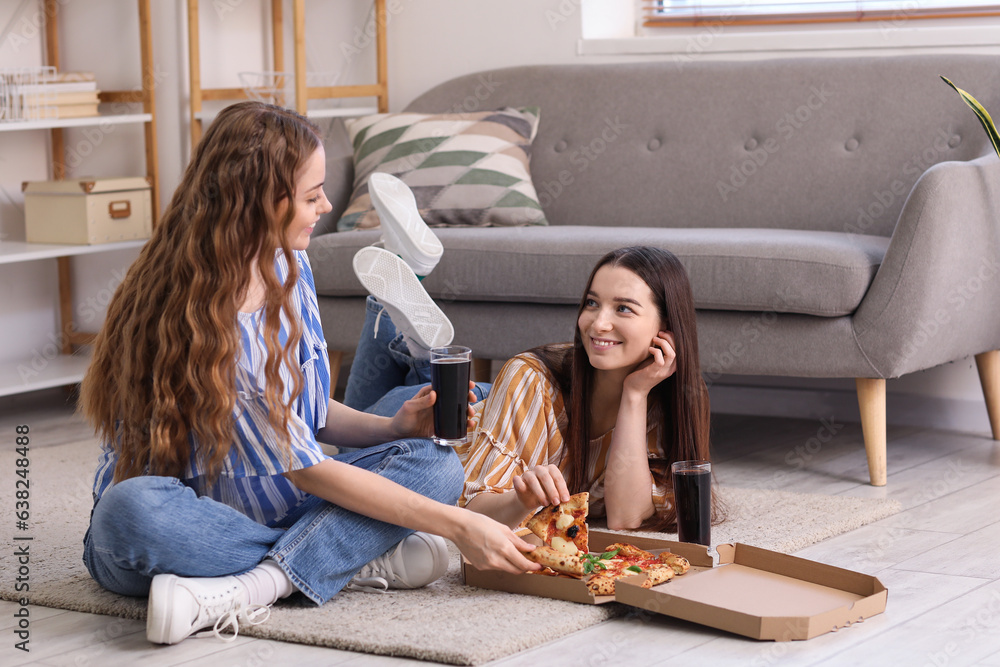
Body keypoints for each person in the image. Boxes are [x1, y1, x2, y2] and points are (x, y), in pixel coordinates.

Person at [78, 101, 538, 647]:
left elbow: (310, 416)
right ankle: (342, 554)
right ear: (258, 201)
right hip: (193, 527)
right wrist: (458, 525)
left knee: (434, 461)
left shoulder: (288, 264)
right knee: (128, 511)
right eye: (311, 194)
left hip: (283, 502)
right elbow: (310, 470)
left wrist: (392, 431)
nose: (326, 205)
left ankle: (260, 583)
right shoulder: (205, 320)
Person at [346, 228, 719, 534]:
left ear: (666, 327)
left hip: (495, 410)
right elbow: (474, 510)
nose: (596, 323)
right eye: (591, 303)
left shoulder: (673, 394)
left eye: (623, 307)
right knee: (344, 450)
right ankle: (402, 318)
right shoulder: (530, 376)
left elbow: (625, 519)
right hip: (430, 430)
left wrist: (634, 395)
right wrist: (519, 502)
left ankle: (416, 341)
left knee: (450, 385)